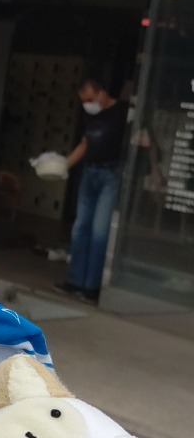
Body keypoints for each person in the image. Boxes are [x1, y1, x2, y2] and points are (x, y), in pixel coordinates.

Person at [55, 79, 129, 304]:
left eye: (89, 99)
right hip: (90, 172)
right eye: (83, 101)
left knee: (99, 231)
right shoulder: (92, 116)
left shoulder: (122, 112)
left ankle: (92, 287)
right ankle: (75, 281)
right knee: (80, 228)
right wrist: (63, 165)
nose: (87, 105)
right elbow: (85, 143)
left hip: (111, 173)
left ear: (101, 93)